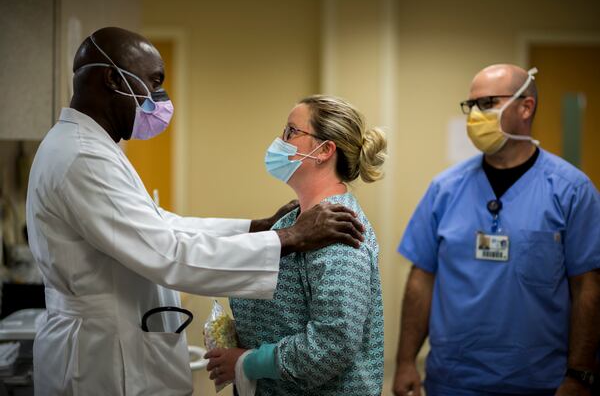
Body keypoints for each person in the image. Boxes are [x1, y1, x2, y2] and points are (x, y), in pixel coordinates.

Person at [25, 28, 365, 396]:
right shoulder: (82, 157)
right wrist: (288, 237)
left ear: (326, 150)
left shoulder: (94, 149)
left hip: (119, 343)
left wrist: (257, 228)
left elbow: (160, 225)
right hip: (101, 358)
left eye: (291, 132)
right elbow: (167, 252)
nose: (159, 98)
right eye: (153, 82)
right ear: (112, 78)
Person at [392, 64, 600, 396]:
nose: (475, 115)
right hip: (453, 379)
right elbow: (421, 278)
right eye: (470, 105)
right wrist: (405, 361)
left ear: (525, 107)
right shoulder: (445, 189)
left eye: (487, 103)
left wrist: (579, 374)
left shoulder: (571, 191)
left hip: (540, 381)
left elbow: (587, 287)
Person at [205, 95, 387, 395]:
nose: (280, 140)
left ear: (325, 150)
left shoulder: (340, 230)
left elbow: (334, 342)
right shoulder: (296, 219)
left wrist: (249, 362)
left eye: (291, 131)